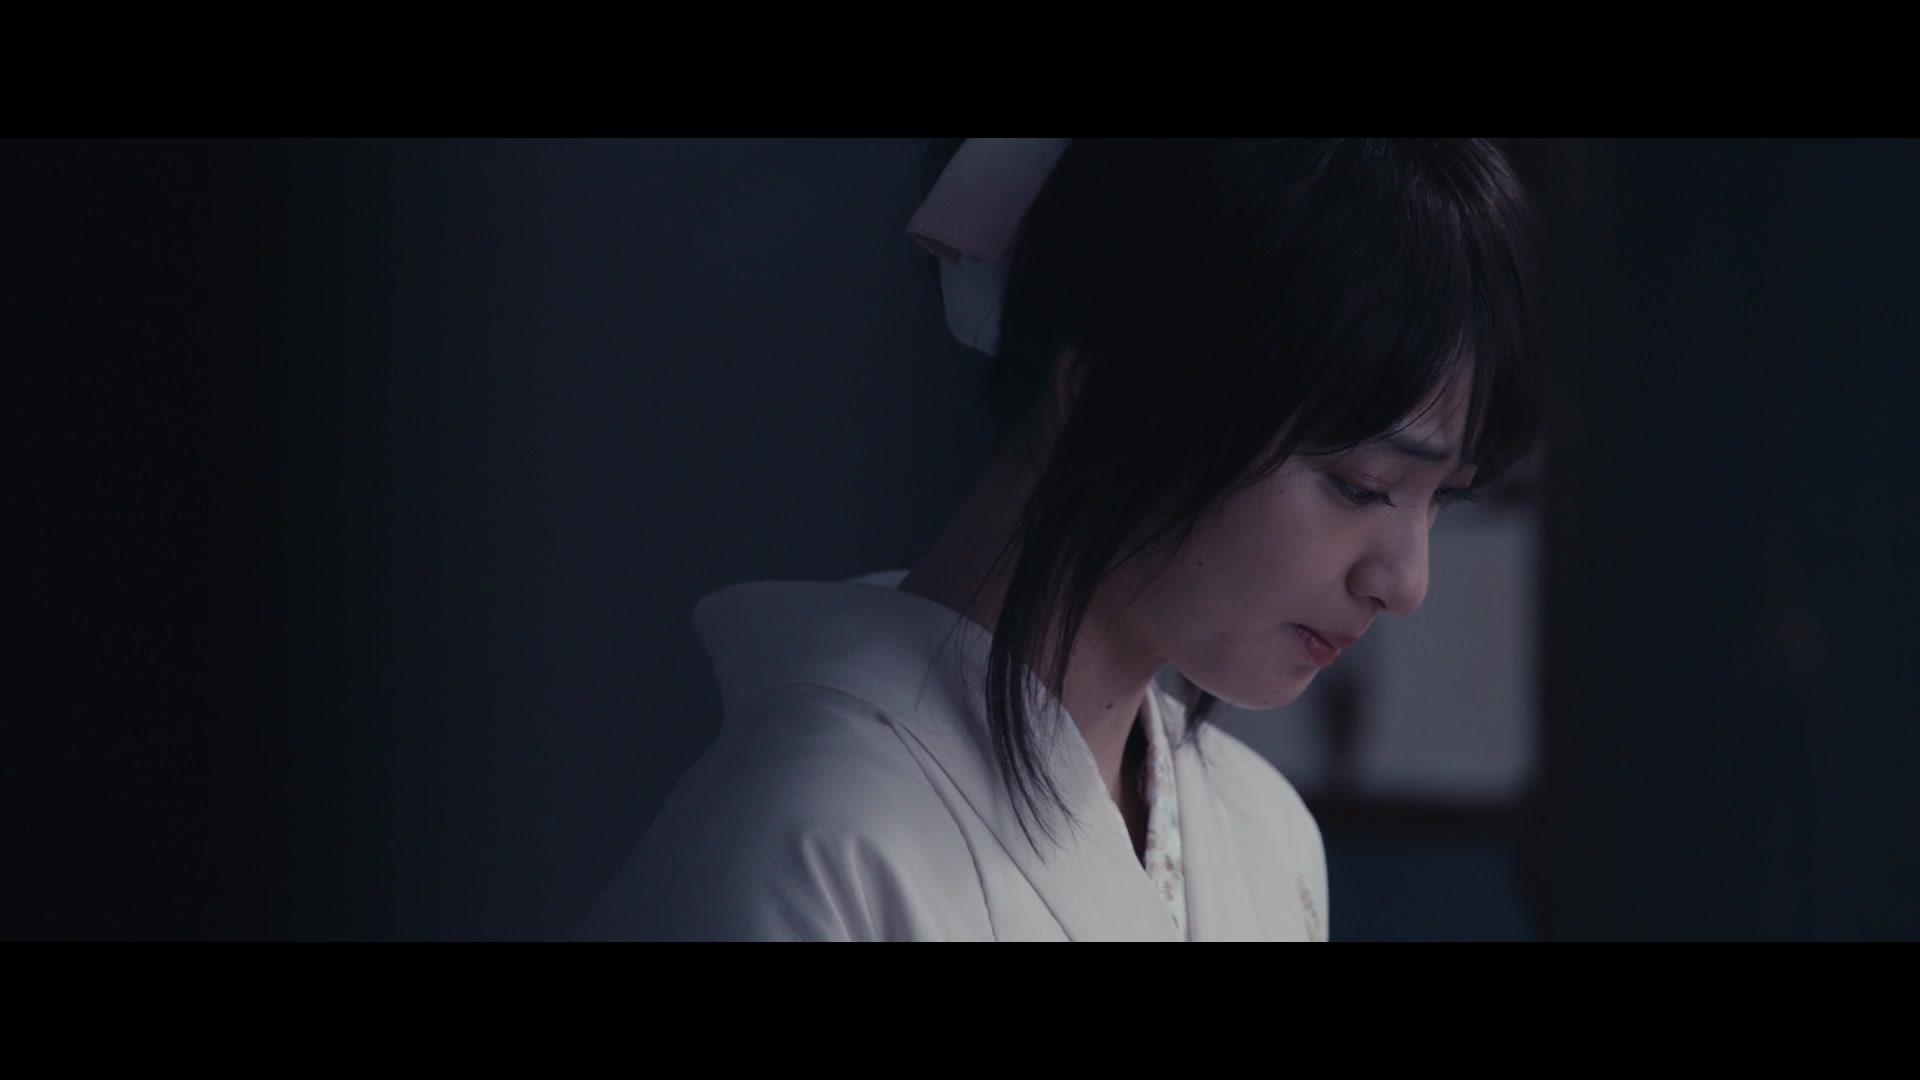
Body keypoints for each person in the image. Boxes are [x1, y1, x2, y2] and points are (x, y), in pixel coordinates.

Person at [574, 138, 1541, 941]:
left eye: (1440, 502)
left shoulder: (1262, 832)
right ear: (1107, 391)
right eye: (1362, 485)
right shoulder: (807, 845)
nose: (1405, 582)